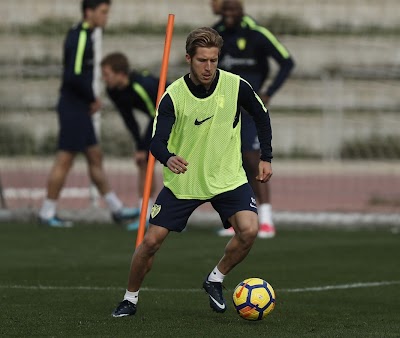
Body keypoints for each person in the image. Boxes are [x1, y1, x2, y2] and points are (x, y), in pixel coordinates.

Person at [111, 27, 273, 317]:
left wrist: (266, 156)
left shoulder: (236, 86)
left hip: (227, 177)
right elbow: (156, 142)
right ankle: (130, 298)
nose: (209, 67)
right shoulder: (173, 96)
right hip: (184, 182)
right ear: (189, 58)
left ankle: (215, 279)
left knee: (249, 230)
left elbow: (261, 116)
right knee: (150, 243)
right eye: (202, 60)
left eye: (214, 60)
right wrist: (168, 158)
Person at [38, 0, 139, 228]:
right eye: (103, 12)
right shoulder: (81, 36)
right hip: (73, 107)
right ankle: (46, 212)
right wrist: (92, 98)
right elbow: (73, 76)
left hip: (79, 106)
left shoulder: (86, 34)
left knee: (95, 156)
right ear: (89, 12)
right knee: (65, 160)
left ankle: (116, 209)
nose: (106, 17)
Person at [212, 0, 294, 238]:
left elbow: (287, 62)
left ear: (241, 12)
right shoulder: (217, 33)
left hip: (250, 109)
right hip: (224, 108)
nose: (228, 15)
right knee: (230, 161)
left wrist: (268, 92)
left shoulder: (257, 34)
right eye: (225, 11)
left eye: (233, 11)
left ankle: (267, 219)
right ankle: (240, 219)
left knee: (252, 158)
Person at [101, 52, 163, 231]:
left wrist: (144, 146)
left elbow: (157, 114)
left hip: (177, 116)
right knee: (144, 162)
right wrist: (139, 146)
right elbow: (129, 119)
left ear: (121, 74)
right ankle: (146, 215)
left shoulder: (141, 86)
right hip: (161, 118)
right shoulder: (113, 91)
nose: (104, 79)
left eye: (107, 74)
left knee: (179, 166)